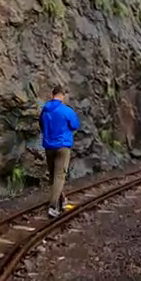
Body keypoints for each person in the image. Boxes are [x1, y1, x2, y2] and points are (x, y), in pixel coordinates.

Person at [39, 84, 81, 218]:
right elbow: (75, 125)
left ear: (52, 95)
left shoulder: (45, 111)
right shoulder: (67, 111)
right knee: (59, 176)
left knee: (54, 175)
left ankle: (63, 201)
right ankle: (53, 206)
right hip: (63, 146)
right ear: (62, 96)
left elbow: (41, 125)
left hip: (48, 146)